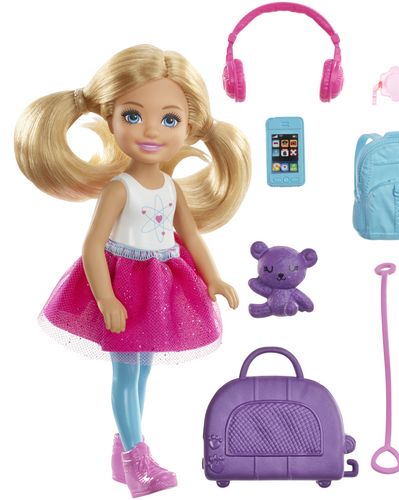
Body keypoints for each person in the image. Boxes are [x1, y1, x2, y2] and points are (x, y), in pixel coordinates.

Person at [14, 44, 251, 498]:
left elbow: (191, 236)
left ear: (189, 128)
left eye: (170, 119)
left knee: (142, 373)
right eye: (132, 115)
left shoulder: (172, 187)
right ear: (110, 120)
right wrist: (106, 297)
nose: (151, 130)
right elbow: (92, 245)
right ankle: (134, 460)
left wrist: (214, 277)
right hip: (124, 285)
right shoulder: (119, 188)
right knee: (125, 374)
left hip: (161, 285)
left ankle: (124, 450)